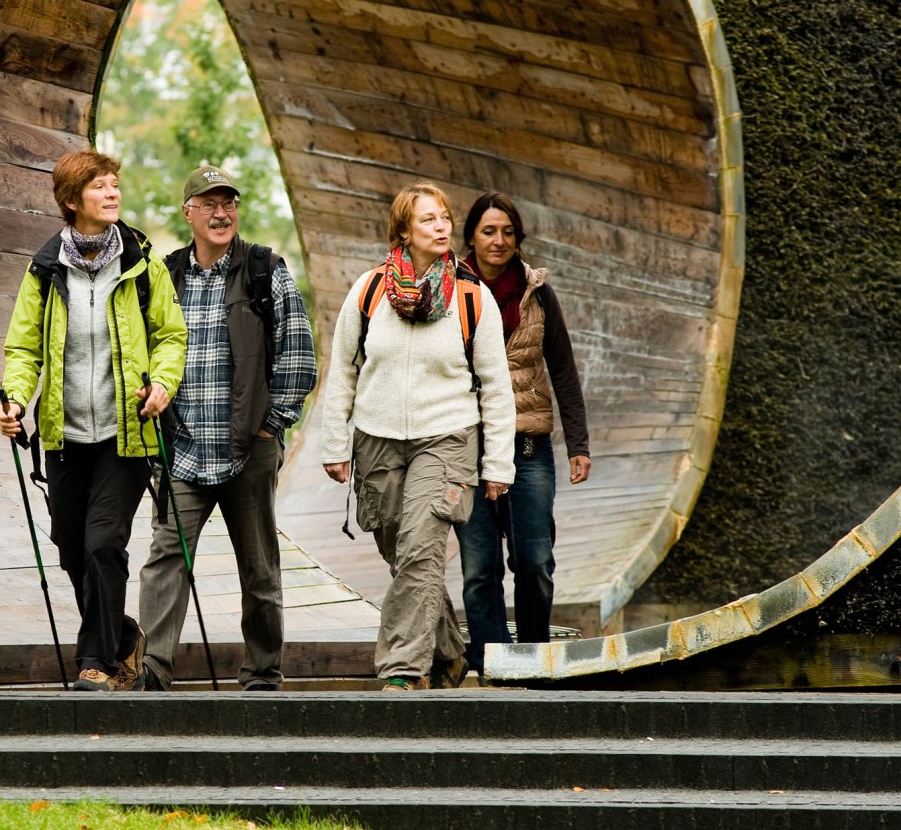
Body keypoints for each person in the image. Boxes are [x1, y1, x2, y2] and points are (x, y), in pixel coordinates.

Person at [0, 150, 188, 692]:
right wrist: (13, 398)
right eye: (100, 186)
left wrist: (162, 385)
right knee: (71, 546)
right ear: (71, 200)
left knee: (105, 543)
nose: (113, 194)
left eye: (114, 185)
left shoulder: (140, 262)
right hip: (63, 435)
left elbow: (171, 336)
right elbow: (23, 347)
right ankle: (123, 634)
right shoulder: (45, 268)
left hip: (126, 434)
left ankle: (96, 661)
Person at [319, 182, 515, 690]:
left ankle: (403, 671)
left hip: (447, 438)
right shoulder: (368, 291)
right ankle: (450, 651)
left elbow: (495, 386)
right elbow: (342, 369)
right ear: (404, 230)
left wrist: (497, 464)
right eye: (428, 219)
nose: (442, 226)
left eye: (445, 217)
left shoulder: (473, 298)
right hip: (377, 439)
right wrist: (335, 445)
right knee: (402, 554)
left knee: (421, 550)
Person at [136, 164, 318, 692]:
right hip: (184, 450)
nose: (221, 213)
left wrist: (273, 426)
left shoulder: (264, 269)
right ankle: (152, 669)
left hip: (248, 447)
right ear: (188, 212)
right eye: (209, 204)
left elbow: (298, 357)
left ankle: (263, 671)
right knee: (166, 559)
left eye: (229, 204)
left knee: (259, 569)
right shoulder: (164, 276)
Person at [455, 191, 591, 677]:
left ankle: (532, 660)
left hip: (527, 449)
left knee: (534, 562)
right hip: (467, 448)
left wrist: (579, 444)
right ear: (471, 235)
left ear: (518, 239)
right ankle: (493, 664)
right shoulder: (448, 289)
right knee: (479, 570)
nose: (498, 240)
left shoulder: (538, 292)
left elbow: (563, 370)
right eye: (488, 231)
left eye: (507, 232)